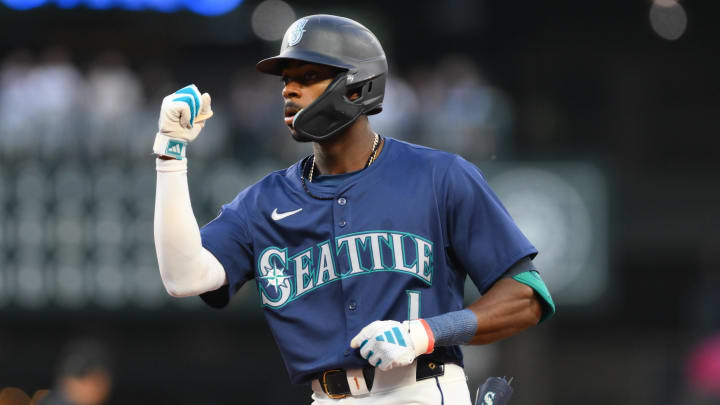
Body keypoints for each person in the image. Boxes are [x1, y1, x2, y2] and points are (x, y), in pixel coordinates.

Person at [153, 14, 555, 404]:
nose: (288, 90)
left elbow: (527, 296)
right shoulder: (264, 202)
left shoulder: (439, 176)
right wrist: (170, 155)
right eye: (287, 79)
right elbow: (183, 278)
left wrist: (425, 333)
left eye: (308, 76)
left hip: (419, 390)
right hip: (327, 398)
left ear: (356, 87)